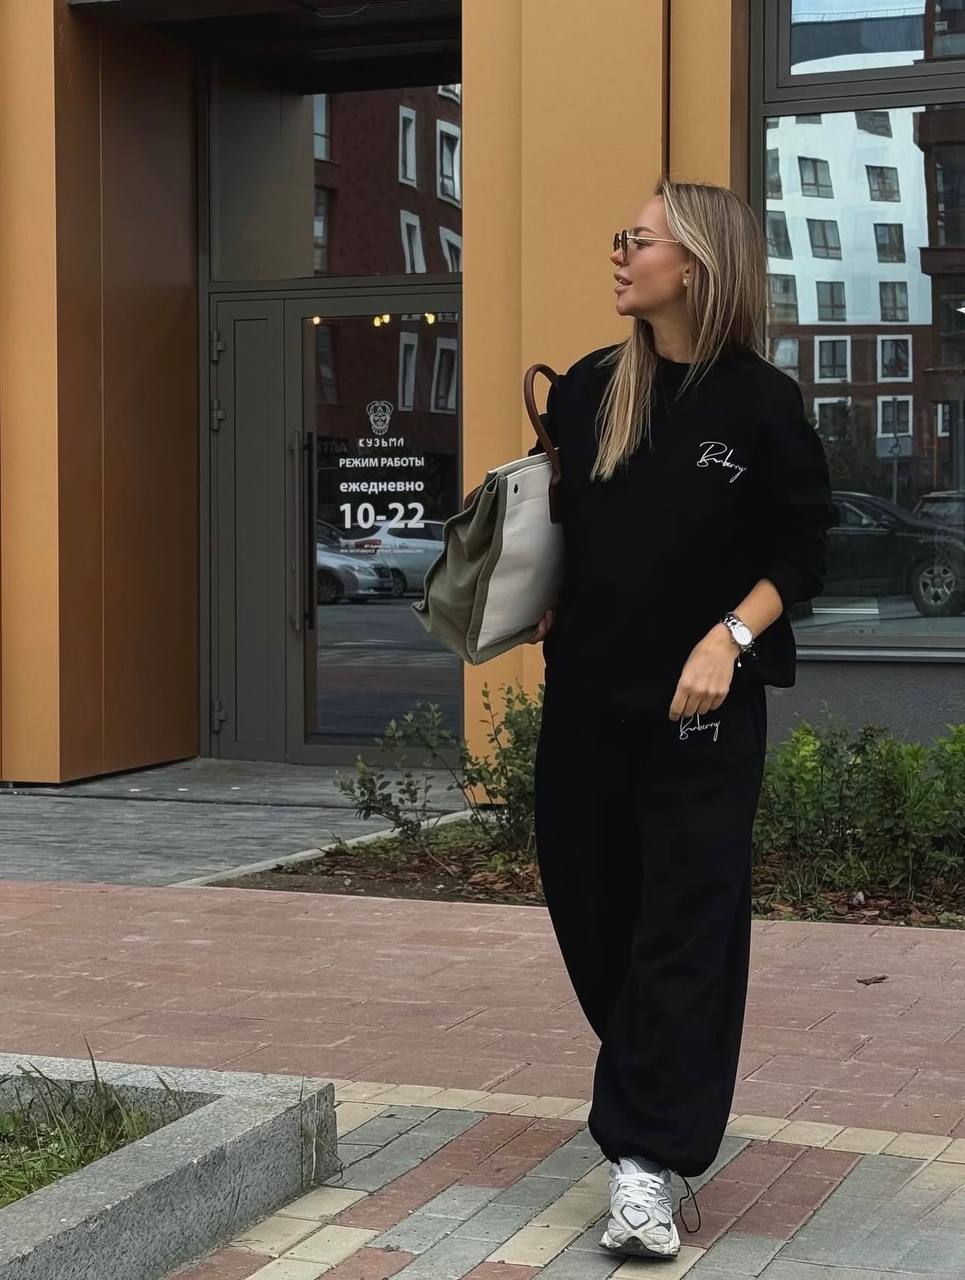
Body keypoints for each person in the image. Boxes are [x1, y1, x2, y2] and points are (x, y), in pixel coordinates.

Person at [525, 176, 836, 1261]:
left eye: (638, 239)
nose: (618, 254)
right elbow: (573, 527)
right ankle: (657, 1081)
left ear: (695, 266)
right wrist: (538, 593)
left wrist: (729, 637)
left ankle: (643, 1156)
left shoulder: (760, 403)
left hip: (702, 721)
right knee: (591, 909)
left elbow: (804, 550)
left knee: (682, 930)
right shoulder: (588, 388)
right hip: (583, 704)